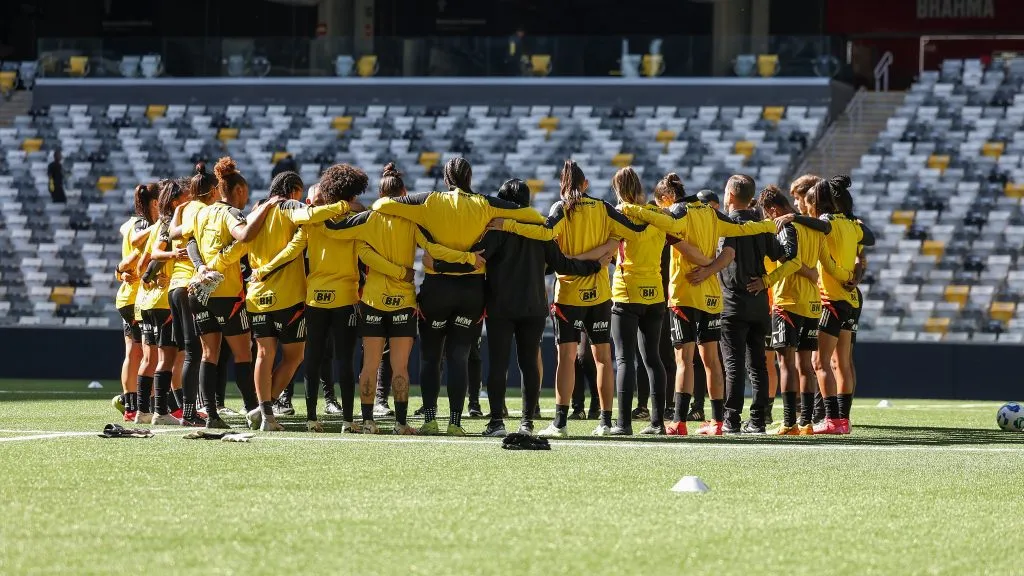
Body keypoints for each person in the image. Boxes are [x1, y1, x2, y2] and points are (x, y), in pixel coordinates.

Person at [371, 157, 546, 435]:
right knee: (459, 357)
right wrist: (506, 223)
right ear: (470, 177)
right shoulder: (485, 203)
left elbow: (380, 204)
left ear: (446, 178)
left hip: (437, 289)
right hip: (471, 292)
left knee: (430, 357)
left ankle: (430, 419)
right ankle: (455, 422)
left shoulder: (429, 201)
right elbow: (534, 216)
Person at [429, 178, 609, 436]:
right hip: (534, 306)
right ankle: (527, 422)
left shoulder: (496, 230)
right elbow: (563, 265)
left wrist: (438, 264)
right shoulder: (540, 228)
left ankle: (496, 424)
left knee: (499, 365)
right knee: (529, 364)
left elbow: (472, 259)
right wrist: (594, 266)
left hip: (500, 306)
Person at [491, 160, 648, 437]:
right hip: (600, 293)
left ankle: (560, 422)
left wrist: (508, 225)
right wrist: (608, 247)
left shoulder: (561, 207)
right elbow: (635, 231)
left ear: (563, 185)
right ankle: (606, 422)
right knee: (603, 358)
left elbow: (545, 233)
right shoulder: (603, 207)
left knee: (566, 357)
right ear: (585, 184)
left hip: (569, 294)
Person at [323, 163, 478, 434]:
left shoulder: (367, 218)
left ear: (380, 194)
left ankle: (368, 420)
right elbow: (435, 249)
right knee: (400, 368)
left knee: (369, 365)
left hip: (371, 301)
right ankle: (401, 423)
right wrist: (468, 258)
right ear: (404, 194)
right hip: (403, 302)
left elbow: (335, 233)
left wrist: (336, 208)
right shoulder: (411, 221)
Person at [617, 173, 777, 435]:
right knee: (712, 361)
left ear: (666, 199)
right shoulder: (710, 213)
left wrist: (630, 207)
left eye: (660, 204)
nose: (660, 210)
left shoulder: (676, 213)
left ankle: (678, 421)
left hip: (684, 292)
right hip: (713, 295)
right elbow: (741, 230)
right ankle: (716, 422)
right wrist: (769, 225)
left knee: (684, 361)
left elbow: (658, 220)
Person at [253, 166, 402, 432]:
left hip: (315, 300)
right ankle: (347, 421)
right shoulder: (358, 221)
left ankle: (312, 419)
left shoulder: (313, 222)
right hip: (345, 299)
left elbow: (291, 251)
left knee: (312, 358)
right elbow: (367, 256)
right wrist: (399, 272)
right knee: (344, 360)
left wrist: (264, 270)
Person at [692, 175, 826, 434]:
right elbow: (789, 257)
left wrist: (707, 271)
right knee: (759, 366)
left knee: (733, 365)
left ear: (730, 196)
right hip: (760, 305)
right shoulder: (762, 227)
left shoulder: (728, 225)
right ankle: (758, 420)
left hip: (732, 304)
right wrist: (767, 281)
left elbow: (727, 255)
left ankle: (731, 420)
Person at [241, 171, 353, 432]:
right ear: (293, 191)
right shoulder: (288, 206)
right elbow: (311, 216)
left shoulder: (257, 212)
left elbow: (241, 243)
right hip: (287, 297)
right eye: (301, 195)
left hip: (257, 294)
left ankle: (265, 413)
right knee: (294, 356)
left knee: (264, 353)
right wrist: (343, 205)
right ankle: (265, 410)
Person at [747, 185, 852, 435]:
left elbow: (792, 261)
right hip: (813, 305)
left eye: (767, 215)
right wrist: (849, 278)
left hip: (788, 302)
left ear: (772, 209)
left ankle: (788, 422)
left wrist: (766, 281)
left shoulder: (787, 227)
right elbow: (828, 265)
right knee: (806, 364)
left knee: (786, 364)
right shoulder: (815, 229)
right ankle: (805, 422)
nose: (768, 220)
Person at [187, 157, 280, 428]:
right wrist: (265, 209)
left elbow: (191, 241)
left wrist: (201, 266)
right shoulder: (232, 214)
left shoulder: (202, 212)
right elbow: (245, 236)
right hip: (227, 294)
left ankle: (212, 416)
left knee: (209, 354)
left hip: (200, 289)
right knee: (243, 355)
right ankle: (253, 410)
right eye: (246, 193)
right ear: (239, 191)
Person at [606, 167, 670, 435]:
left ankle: (624, 424)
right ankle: (657, 423)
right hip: (655, 293)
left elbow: (610, 249)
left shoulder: (620, 214)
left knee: (623, 360)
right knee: (653, 359)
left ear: (618, 190)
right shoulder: (658, 215)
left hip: (627, 292)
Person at [810, 175, 875, 435]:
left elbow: (812, 228)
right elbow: (869, 238)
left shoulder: (826, 222)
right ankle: (843, 420)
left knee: (819, 361)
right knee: (842, 362)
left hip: (830, 298)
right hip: (848, 299)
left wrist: (792, 219)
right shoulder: (851, 225)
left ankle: (831, 420)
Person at [166, 164, 219, 426]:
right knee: (193, 352)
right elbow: (190, 240)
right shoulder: (202, 210)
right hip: (190, 284)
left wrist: (177, 210)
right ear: (213, 189)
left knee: (184, 352)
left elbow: (171, 233)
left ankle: (180, 409)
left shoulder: (184, 208)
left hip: (174, 287)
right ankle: (189, 412)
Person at [135, 179, 190, 426]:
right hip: (162, 303)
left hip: (148, 302)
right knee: (169, 360)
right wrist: (173, 256)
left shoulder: (160, 225)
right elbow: (156, 255)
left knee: (152, 360)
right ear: (177, 201)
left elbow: (140, 264)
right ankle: (161, 412)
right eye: (188, 196)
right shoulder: (170, 225)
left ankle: (142, 411)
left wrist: (151, 276)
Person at [112, 183, 159, 422]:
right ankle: (133, 404)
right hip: (135, 297)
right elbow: (136, 251)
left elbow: (126, 254)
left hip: (129, 294)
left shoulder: (130, 223)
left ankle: (131, 402)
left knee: (135, 352)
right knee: (139, 352)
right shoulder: (144, 225)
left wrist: (119, 271)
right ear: (153, 203)